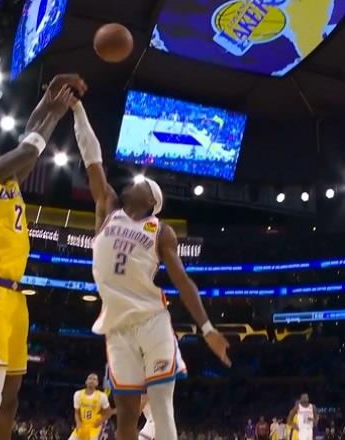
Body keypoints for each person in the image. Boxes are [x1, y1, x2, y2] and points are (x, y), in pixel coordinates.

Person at [70, 99, 230, 440]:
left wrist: (207, 328)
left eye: (142, 184)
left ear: (151, 201)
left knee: (160, 407)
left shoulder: (160, 231)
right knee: (127, 414)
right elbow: (92, 158)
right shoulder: (108, 208)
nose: (134, 182)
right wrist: (78, 109)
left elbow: (182, 280)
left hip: (152, 321)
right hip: (117, 326)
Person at [0, 73, 87, 440]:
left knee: (10, 396)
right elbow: (27, 149)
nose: (1, 155)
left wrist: (52, 91)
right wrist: (57, 112)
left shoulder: (9, 183)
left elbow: (29, 135)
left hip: (14, 297)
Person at [68, 373, 114, 440]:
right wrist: (78, 422)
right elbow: (76, 412)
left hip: (94, 427)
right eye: (90, 378)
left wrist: (100, 421)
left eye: (94, 379)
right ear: (86, 382)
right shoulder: (78, 394)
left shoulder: (102, 396)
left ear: (97, 383)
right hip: (82, 425)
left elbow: (108, 412)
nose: (92, 380)